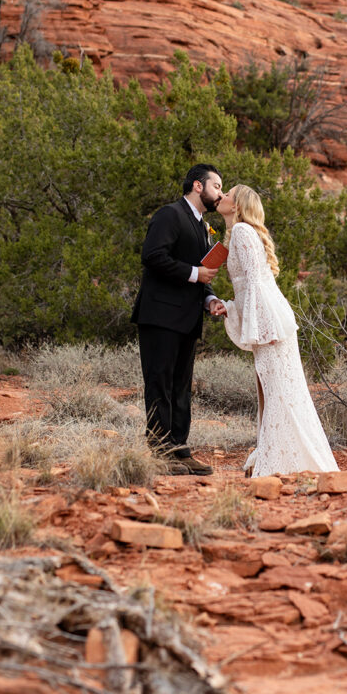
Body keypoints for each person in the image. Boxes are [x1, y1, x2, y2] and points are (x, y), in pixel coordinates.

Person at [213, 185, 338, 477]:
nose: (223, 197)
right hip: (270, 320)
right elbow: (249, 288)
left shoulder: (243, 232)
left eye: (229, 193)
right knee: (272, 390)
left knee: (277, 390)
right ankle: (275, 454)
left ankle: (279, 459)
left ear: (238, 205)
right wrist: (231, 308)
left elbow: (256, 284)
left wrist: (258, 327)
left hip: (270, 325)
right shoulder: (239, 233)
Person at [131, 164, 226, 475]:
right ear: (198, 186)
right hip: (159, 316)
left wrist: (210, 297)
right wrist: (194, 273)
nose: (220, 193)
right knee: (159, 383)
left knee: (181, 387)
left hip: (186, 318)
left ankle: (180, 450)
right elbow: (153, 256)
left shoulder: (201, 226)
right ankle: (159, 453)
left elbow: (200, 271)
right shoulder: (169, 214)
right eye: (217, 186)